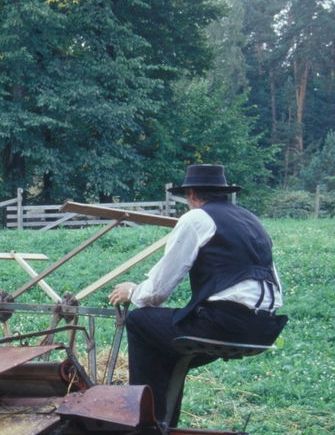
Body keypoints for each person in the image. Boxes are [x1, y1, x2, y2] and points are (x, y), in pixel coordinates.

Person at [108, 165, 288, 422]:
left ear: (191, 194)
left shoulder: (197, 219)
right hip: (264, 327)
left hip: (225, 325)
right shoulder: (252, 221)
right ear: (222, 193)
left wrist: (133, 291)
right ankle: (165, 429)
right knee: (164, 349)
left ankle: (144, 424)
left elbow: (156, 293)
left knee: (140, 321)